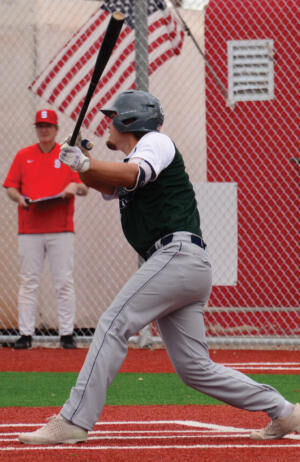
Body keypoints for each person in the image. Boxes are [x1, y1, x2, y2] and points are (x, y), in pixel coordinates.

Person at [18, 91, 299, 444]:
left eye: (113, 116)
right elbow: (107, 181)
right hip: (184, 265)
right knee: (195, 369)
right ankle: (285, 411)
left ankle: (73, 419)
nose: (108, 122)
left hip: (176, 256)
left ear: (130, 121)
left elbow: (131, 174)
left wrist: (85, 164)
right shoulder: (133, 157)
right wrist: (82, 161)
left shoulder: (156, 142)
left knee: (112, 324)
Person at [3, 109, 88, 350]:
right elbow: (10, 187)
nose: (44, 130)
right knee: (29, 281)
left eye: (48, 126)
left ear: (56, 129)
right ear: (36, 128)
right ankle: (25, 333)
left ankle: (67, 333)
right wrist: (18, 198)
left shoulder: (66, 155)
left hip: (60, 227)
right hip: (30, 226)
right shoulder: (24, 155)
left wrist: (73, 187)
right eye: (40, 126)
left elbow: (83, 188)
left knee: (63, 281)